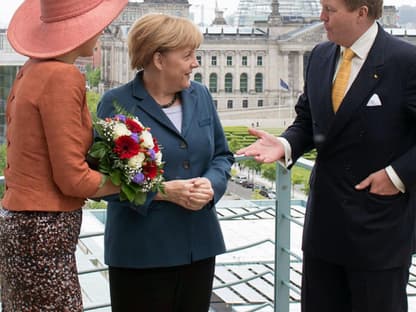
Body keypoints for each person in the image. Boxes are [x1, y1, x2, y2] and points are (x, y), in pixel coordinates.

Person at [237, 0, 416, 311]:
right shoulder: (320, 56)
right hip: (324, 225)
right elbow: (308, 120)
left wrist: (397, 176)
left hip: (378, 227)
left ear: (362, 12)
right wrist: (285, 144)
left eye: (330, 10)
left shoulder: (406, 60)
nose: (321, 18)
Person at [97, 13, 234, 312]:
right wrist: (164, 191)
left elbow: (222, 156)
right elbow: (100, 181)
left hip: (199, 248)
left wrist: (211, 185)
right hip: (141, 253)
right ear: (159, 59)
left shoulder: (201, 96)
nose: (195, 63)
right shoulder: (116, 104)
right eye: (187, 55)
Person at [0, 0, 127, 311]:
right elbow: (73, 179)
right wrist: (135, 182)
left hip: (21, 225)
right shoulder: (63, 76)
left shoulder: (31, 69)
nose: (100, 30)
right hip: (45, 229)